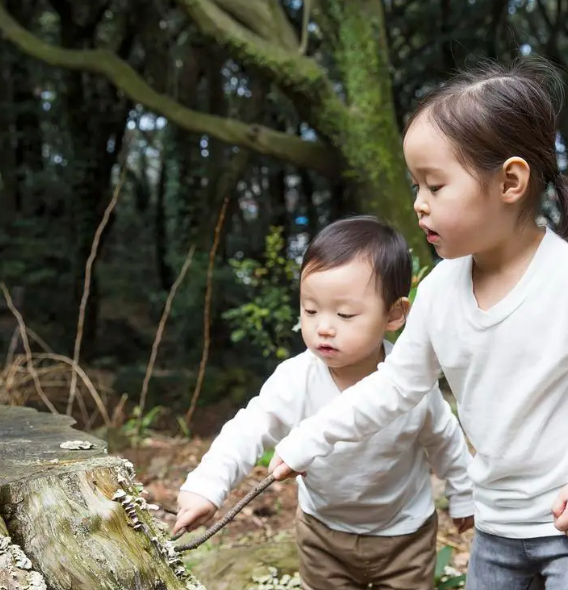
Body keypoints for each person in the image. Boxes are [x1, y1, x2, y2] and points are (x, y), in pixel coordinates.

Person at [268, 59, 568, 590]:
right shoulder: (437, 292)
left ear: (511, 181)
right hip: (499, 530)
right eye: (416, 186)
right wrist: (311, 437)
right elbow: (396, 384)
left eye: (434, 186)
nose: (418, 205)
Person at [173, 216, 475, 590]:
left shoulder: (411, 383)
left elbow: (445, 441)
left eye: (345, 314)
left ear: (395, 314)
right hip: (322, 533)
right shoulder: (295, 379)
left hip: (404, 535)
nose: (323, 327)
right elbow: (249, 428)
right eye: (310, 310)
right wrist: (208, 485)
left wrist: (464, 497)